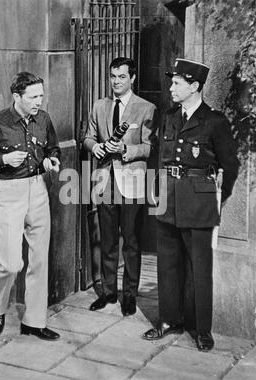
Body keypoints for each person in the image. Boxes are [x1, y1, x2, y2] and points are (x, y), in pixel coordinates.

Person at [142, 58, 239, 351]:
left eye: (177, 83)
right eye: (172, 82)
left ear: (194, 86)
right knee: (168, 264)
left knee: (198, 268)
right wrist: (155, 187)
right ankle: (170, 320)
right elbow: (159, 157)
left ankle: (201, 329)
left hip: (198, 201)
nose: (171, 87)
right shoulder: (169, 117)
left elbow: (230, 165)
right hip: (168, 197)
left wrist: (217, 196)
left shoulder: (215, 121)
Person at [0, 71, 61, 341]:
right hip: (10, 192)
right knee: (10, 263)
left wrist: (49, 161)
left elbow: (53, 149)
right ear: (17, 97)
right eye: (33, 97)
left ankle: (34, 321)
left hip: (38, 190)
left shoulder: (43, 119)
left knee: (39, 261)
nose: (39, 101)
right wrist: (3, 160)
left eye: (41, 96)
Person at [84, 57, 158, 316]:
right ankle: (108, 292)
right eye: (113, 77)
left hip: (133, 182)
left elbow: (150, 147)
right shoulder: (99, 106)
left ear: (132, 78)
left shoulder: (146, 108)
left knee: (132, 241)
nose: (116, 82)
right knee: (107, 241)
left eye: (122, 77)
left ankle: (130, 295)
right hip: (105, 181)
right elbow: (88, 138)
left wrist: (126, 149)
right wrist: (97, 147)